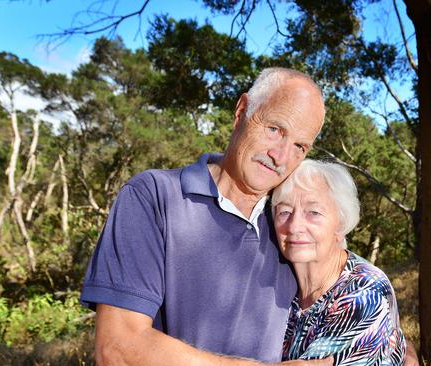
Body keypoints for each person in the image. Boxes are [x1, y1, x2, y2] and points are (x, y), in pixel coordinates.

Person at [80, 68, 332, 365]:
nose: (281, 156)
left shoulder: (292, 225)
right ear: (241, 111)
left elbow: (355, 291)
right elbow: (118, 350)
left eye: (299, 146)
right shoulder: (154, 196)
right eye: (275, 129)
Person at [272, 159, 418, 365]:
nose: (294, 226)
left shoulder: (365, 293)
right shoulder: (280, 279)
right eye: (284, 212)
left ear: (341, 222)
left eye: (313, 212)